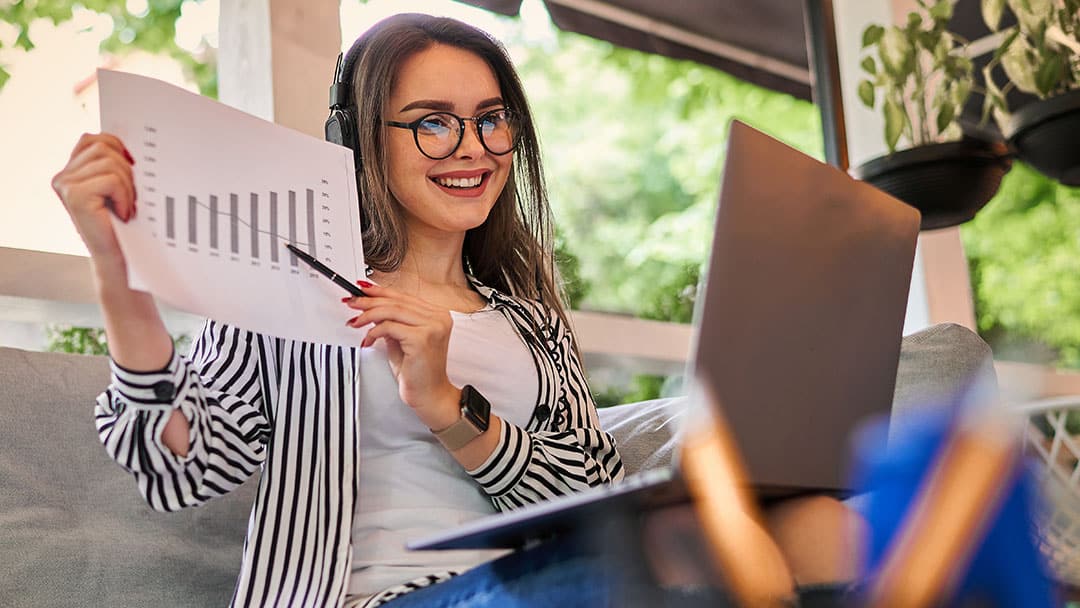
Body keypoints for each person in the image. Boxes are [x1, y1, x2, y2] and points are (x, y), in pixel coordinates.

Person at [51, 12, 860, 608]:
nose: (472, 148)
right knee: (669, 559)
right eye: (433, 123)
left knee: (822, 525)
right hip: (386, 598)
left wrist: (450, 408)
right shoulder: (292, 291)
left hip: (545, 580)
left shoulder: (532, 322)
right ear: (363, 137)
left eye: (490, 120)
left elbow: (589, 487)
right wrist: (120, 275)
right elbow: (179, 469)